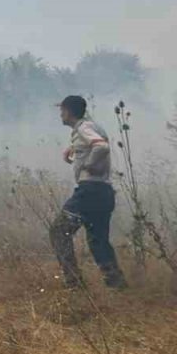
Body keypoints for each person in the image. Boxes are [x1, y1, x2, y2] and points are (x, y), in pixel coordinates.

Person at [51, 95, 125, 288]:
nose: (60, 114)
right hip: (103, 192)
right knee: (98, 241)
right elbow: (98, 141)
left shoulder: (83, 128)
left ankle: (73, 283)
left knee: (59, 231)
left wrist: (89, 164)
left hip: (89, 191)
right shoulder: (90, 126)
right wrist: (73, 148)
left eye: (62, 110)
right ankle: (117, 284)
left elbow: (101, 146)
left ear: (68, 111)